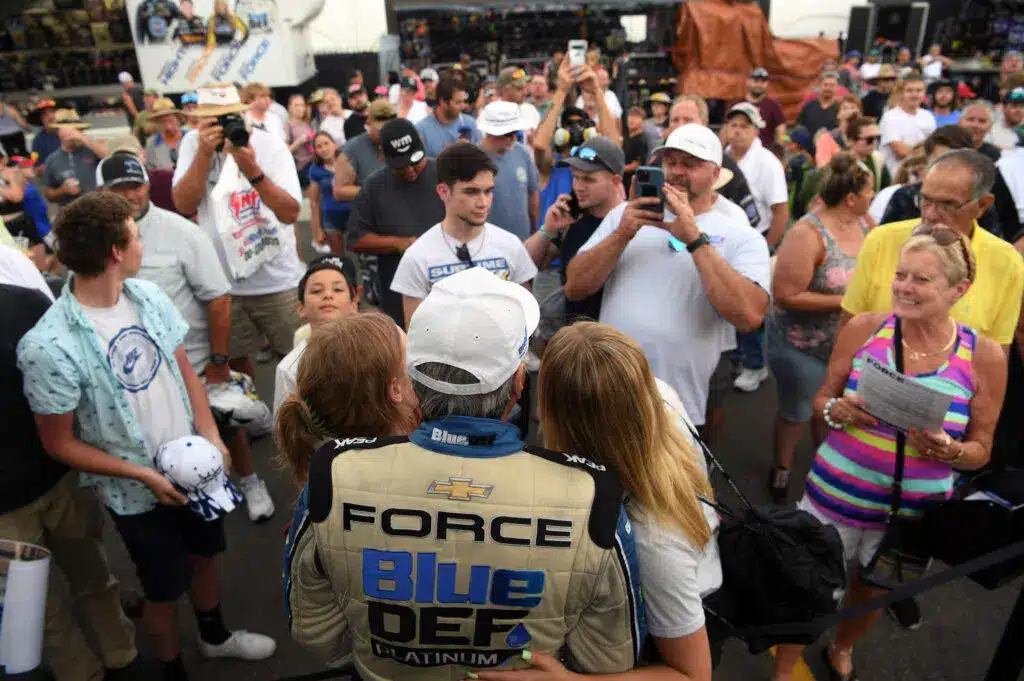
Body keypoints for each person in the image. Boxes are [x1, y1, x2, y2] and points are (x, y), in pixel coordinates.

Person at [283, 267, 646, 678]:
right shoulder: (594, 497)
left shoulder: (331, 476)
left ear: (412, 382)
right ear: (517, 385)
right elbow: (609, 656)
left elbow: (315, 633)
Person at [17, 193, 276, 681]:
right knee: (162, 588)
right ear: (116, 251)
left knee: (205, 556)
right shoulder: (48, 345)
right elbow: (58, 443)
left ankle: (215, 638)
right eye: (135, 235)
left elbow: (186, 374)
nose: (142, 243)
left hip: (197, 470)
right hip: (137, 494)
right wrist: (142, 475)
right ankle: (173, 670)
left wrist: (210, 436)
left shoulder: (150, 297)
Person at [773, 228, 1007, 681]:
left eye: (922, 279)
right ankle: (784, 667)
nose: (904, 287)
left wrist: (951, 449)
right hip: (832, 499)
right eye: (901, 275)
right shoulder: (865, 328)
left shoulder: (985, 356)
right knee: (804, 585)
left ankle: (842, 647)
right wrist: (838, 410)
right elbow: (821, 399)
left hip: (908, 517)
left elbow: (981, 452)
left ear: (959, 290)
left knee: (872, 589)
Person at [476, 322, 719, 681]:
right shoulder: (662, 398)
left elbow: (692, 673)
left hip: (662, 631)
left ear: (559, 416)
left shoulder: (650, 538)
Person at [96, 150, 274, 524]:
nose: (130, 194)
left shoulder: (181, 232)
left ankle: (252, 481)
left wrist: (218, 362)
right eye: (119, 188)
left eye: (136, 184)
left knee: (224, 425)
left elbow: (219, 300)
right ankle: (182, 494)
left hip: (193, 361)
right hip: (132, 368)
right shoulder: (94, 239)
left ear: (148, 184)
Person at [565, 124, 771, 428]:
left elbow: (750, 316)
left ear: (715, 176)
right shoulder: (624, 216)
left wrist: (696, 240)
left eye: (689, 164)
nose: (676, 172)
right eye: (670, 162)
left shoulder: (739, 233)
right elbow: (575, 287)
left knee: (672, 476)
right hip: (610, 385)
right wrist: (622, 234)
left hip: (678, 403)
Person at [2, 281, 142, 681]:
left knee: (94, 577)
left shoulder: (24, 303)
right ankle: (81, 673)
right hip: (6, 512)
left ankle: (123, 656)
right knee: (40, 608)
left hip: (61, 478)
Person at [766, 154, 873, 504]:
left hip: (844, 346)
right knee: (798, 410)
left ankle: (824, 465)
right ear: (852, 197)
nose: (874, 196)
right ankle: (781, 470)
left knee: (830, 410)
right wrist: (847, 302)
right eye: (870, 190)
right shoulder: (807, 233)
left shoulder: (867, 224)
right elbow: (785, 295)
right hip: (801, 345)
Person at [845, 148, 1024, 348]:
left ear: (982, 205)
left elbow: (996, 357)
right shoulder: (881, 241)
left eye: (947, 205)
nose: (930, 215)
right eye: (925, 200)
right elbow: (848, 332)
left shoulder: (1007, 263)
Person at [391, 142, 537, 326]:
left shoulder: (510, 246)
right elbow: (415, 335)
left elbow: (527, 319)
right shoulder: (418, 256)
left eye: (488, 191)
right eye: (471, 192)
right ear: (444, 192)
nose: (483, 203)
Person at [347, 118, 444, 326]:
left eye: (416, 162)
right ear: (382, 156)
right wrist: (398, 243)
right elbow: (355, 239)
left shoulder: (445, 174)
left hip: (447, 286)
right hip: (400, 291)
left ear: (422, 143)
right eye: (400, 167)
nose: (410, 171)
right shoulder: (373, 187)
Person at [524, 136, 625, 327]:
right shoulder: (572, 219)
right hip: (572, 336)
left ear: (615, 181)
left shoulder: (629, 223)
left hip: (612, 339)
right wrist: (548, 229)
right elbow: (524, 266)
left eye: (588, 179)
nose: (578, 187)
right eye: (575, 177)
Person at [273, 255, 360, 416]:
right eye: (316, 291)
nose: (328, 295)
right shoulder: (289, 369)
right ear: (301, 308)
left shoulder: (379, 348)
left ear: (354, 304)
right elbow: (285, 427)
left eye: (338, 289)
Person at [880, 125, 977, 225]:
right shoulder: (904, 197)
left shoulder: (977, 203)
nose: (948, 170)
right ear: (927, 160)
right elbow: (884, 236)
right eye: (940, 162)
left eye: (955, 163)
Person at [725, 101, 789, 249]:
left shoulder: (768, 163)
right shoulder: (720, 158)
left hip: (755, 239)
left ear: (756, 131)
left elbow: (781, 213)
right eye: (733, 125)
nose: (737, 131)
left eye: (744, 126)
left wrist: (767, 248)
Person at [478, 101, 541, 241]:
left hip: (522, 241)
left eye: (515, 133)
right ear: (491, 133)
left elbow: (533, 193)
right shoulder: (474, 159)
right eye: (508, 133)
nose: (513, 138)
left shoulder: (523, 153)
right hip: (487, 244)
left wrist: (535, 229)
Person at [802, 117, 890, 207]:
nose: (874, 143)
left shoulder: (878, 160)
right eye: (869, 140)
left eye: (877, 138)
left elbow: (886, 191)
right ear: (851, 141)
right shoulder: (838, 164)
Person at [334, 99, 395, 202]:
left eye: (389, 127)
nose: (384, 132)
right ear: (368, 123)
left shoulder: (404, 139)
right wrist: (377, 192)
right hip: (370, 214)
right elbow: (340, 191)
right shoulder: (353, 148)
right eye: (380, 129)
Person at [880, 74, 937, 176]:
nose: (914, 94)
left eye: (919, 90)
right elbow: (900, 151)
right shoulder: (890, 117)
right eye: (909, 90)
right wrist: (926, 152)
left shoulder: (928, 116)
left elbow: (935, 147)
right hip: (895, 176)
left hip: (921, 176)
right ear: (901, 93)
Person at [416, 77, 481, 158]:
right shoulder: (422, 129)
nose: (463, 106)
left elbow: (481, 157)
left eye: (463, 101)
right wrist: (452, 152)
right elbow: (422, 165)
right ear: (442, 101)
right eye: (458, 102)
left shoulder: (470, 123)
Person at [307, 131, 349, 255]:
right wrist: (317, 230)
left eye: (326, 143)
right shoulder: (315, 170)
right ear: (315, 151)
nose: (324, 149)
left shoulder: (348, 162)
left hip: (354, 216)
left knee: (364, 257)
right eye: (319, 146)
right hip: (331, 219)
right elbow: (314, 202)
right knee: (338, 258)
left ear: (334, 145)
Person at [730, 67, 787, 148]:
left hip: (764, 154)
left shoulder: (773, 106)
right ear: (748, 81)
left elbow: (782, 133)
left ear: (767, 84)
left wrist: (780, 151)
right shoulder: (736, 104)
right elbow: (726, 129)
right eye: (756, 81)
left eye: (763, 81)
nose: (759, 85)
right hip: (738, 153)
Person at [814, 94, 863, 167]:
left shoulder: (864, 137)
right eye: (845, 108)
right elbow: (822, 166)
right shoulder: (826, 138)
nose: (850, 111)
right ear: (838, 114)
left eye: (853, 108)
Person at [493, 66, 542, 132]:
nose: (525, 92)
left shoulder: (530, 110)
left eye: (525, 87)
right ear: (506, 90)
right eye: (519, 89)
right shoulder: (493, 113)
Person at [145, 98, 187, 170]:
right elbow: (151, 171)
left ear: (178, 119)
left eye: (170, 119)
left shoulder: (190, 138)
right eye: (163, 121)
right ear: (157, 123)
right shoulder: (151, 143)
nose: (168, 125)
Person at [285, 93, 316, 189]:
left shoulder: (308, 123)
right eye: (296, 105)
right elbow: (285, 151)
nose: (300, 108)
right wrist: (299, 141)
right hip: (302, 168)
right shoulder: (287, 125)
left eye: (302, 105)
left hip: (314, 163)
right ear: (289, 107)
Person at [798, 72, 841, 136]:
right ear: (819, 86)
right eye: (825, 85)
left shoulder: (842, 107)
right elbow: (800, 129)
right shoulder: (808, 107)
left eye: (832, 85)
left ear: (837, 87)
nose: (828, 88)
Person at [623, 105, 651, 190]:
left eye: (636, 117)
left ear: (643, 121)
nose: (632, 119)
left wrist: (618, 169)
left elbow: (636, 165)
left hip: (632, 182)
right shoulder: (627, 138)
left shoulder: (640, 140)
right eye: (630, 116)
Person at [990, 87, 1024, 151]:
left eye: (1022, 106)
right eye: (1014, 106)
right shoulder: (992, 130)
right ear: (1003, 108)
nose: (1019, 110)